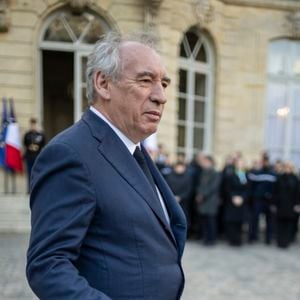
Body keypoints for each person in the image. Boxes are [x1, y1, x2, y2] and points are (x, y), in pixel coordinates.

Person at [26, 32, 187, 300]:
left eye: (164, 84)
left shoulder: (134, 148)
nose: (161, 96)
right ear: (103, 83)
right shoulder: (70, 154)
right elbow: (48, 266)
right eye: (145, 80)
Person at [248, 153, 277, 244]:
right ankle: (253, 237)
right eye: (263, 161)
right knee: (254, 219)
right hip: (258, 200)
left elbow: (275, 188)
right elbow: (251, 186)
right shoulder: (255, 173)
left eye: (266, 161)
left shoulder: (273, 174)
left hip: (269, 200)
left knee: (269, 221)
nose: (265, 163)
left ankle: (268, 239)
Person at [273, 162, 300, 248]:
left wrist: (297, 204)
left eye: (290, 167)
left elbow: (298, 193)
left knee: (289, 224)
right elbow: (275, 191)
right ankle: (280, 241)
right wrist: (274, 203)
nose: (288, 169)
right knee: (280, 223)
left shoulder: (296, 179)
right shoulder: (279, 178)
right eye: (287, 167)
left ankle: (287, 241)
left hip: (291, 205)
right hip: (280, 204)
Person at [223, 157, 249, 246]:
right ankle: (232, 239)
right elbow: (227, 188)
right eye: (239, 163)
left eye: (242, 163)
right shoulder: (230, 174)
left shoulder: (247, 175)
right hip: (232, 201)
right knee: (232, 221)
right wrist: (233, 197)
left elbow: (248, 189)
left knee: (240, 221)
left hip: (242, 202)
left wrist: (242, 198)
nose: (240, 165)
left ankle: (238, 239)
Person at [195, 155, 220, 246]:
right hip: (202, 201)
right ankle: (205, 238)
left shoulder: (215, 173)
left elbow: (213, 187)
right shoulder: (203, 172)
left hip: (211, 201)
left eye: (205, 162)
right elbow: (200, 185)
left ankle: (212, 239)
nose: (203, 163)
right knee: (204, 220)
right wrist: (199, 194)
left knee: (211, 221)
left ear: (210, 162)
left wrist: (203, 195)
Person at [165, 161, 192, 230]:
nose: (180, 169)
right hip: (171, 200)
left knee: (184, 217)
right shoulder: (170, 176)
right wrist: (172, 197)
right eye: (178, 167)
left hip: (183, 202)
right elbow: (166, 187)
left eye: (181, 167)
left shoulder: (188, 177)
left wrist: (180, 197)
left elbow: (188, 189)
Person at [23, 117, 45, 192]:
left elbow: (42, 144)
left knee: (37, 173)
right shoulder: (27, 135)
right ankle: (29, 189)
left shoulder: (40, 135)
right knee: (29, 173)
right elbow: (25, 144)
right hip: (29, 156)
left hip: (37, 156)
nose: (33, 126)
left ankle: (36, 189)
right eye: (31, 124)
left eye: (34, 124)